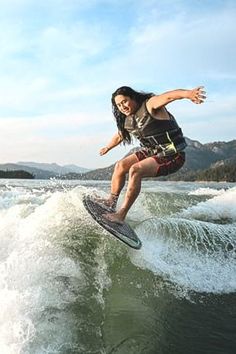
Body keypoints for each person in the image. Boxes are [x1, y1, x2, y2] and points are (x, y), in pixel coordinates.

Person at [99, 86, 206, 224]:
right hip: (153, 151)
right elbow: (119, 136)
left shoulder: (150, 105)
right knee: (120, 165)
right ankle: (111, 202)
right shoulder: (129, 120)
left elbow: (169, 96)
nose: (122, 106)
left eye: (125, 101)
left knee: (136, 170)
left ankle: (121, 214)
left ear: (133, 98)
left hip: (173, 154)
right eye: (119, 105)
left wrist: (188, 94)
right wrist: (107, 147)